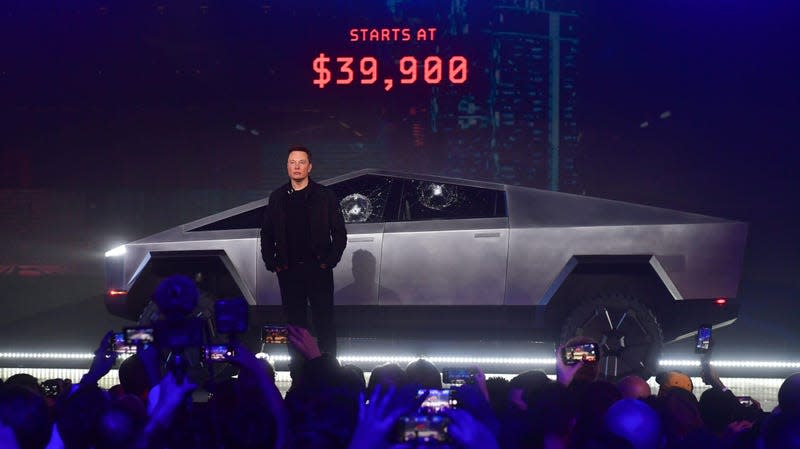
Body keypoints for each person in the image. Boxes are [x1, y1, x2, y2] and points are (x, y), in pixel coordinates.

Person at [260, 146, 347, 359]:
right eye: (292, 162)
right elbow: (267, 233)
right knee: (295, 323)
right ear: (287, 166)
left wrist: (329, 261)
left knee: (324, 319)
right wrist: (272, 262)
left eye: (301, 162)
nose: (297, 166)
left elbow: (339, 233)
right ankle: (298, 370)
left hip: (318, 269)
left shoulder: (325, 195)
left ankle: (328, 368)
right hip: (289, 270)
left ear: (309, 166)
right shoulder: (278, 197)